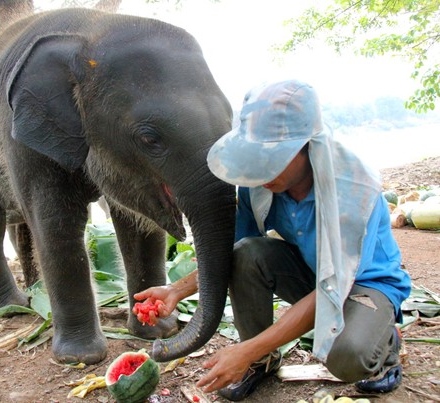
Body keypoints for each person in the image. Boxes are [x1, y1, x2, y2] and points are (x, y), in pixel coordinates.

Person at [134, 79, 411, 401]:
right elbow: (230, 252)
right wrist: (176, 290)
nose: (260, 172)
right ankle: (262, 363)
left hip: (364, 285)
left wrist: (245, 350)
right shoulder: (261, 181)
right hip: (313, 274)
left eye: (270, 159)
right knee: (247, 252)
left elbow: (334, 286)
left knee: (348, 358)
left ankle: (385, 344)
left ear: (306, 146)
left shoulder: (351, 191)